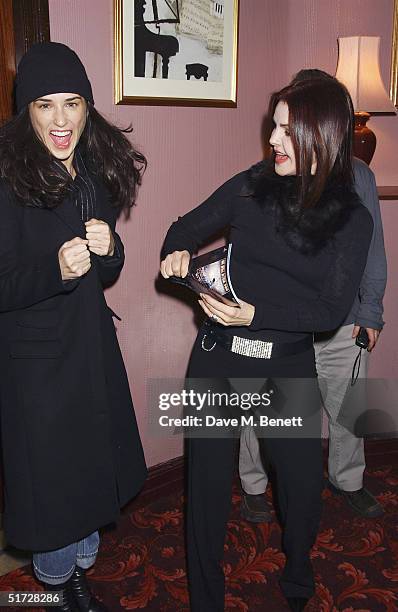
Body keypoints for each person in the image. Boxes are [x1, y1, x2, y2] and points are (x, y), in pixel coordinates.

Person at [160, 78, 373, 611]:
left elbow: (328, 311)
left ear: (321, 137)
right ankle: (205, 600)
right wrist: (177, 255)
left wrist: (259, 315)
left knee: (300, 491)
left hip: (285, 367)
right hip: (218, 358)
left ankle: (298, 580)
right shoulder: (252, 185)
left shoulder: (352, 218)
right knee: (205, 494)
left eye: (286, 130)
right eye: (272, 126)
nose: (273, 140)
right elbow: (183, 228)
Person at [0, 43, 147, 612]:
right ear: (26, 111)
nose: (61, 121)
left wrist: (112, 252)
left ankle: (78, 567)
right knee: (54, 485)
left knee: (91, 471)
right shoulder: (7, 175)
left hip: (89, 347)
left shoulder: (93, 168)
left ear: (88, 106)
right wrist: (52, 271)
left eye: (73, 104)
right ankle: (56, 583)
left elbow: (105, 265)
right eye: (45, 106)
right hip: (37, 366)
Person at [239, 69, 386, 525]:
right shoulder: (270, 176)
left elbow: (374, 249)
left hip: (341, 322)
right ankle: (255, 484)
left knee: (349, 408)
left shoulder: (360, 177)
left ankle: (348, 480)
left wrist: (371, 310)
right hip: (283, 323)